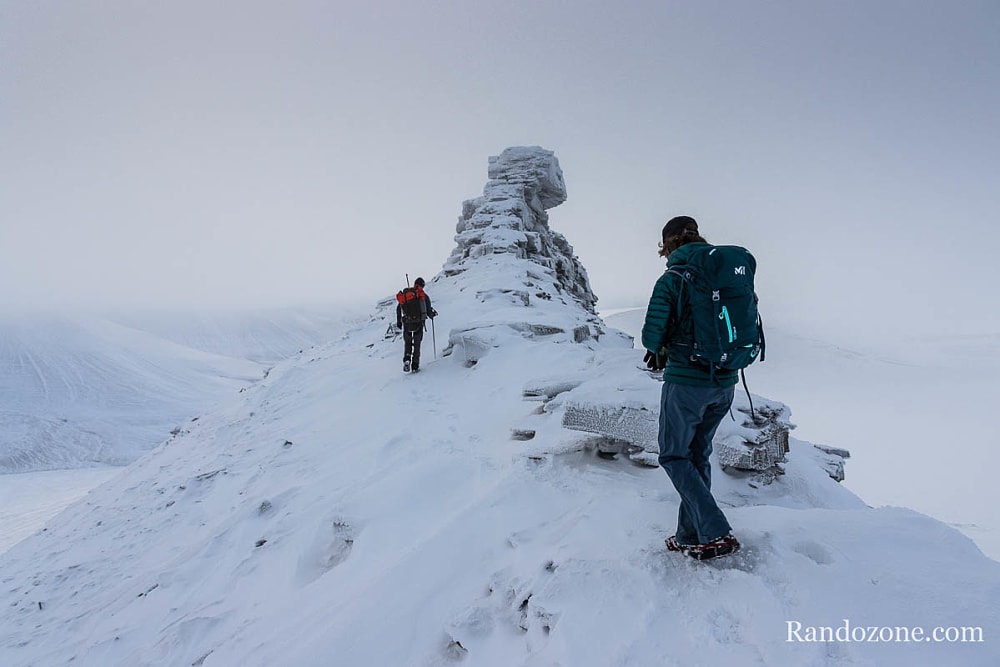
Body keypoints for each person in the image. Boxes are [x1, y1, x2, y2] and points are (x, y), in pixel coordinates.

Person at [641, 215, 741, 560]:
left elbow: (650, 337)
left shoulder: (672, 278)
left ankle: (715, 530)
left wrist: (662, 347)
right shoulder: (723, 274)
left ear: (669, 243)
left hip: (687, 382)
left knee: (672, 454)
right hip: (725, 381)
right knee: (697, 455)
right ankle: (689, 535)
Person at [396, 277, 437, 373]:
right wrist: (432, 315)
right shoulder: (423, 296)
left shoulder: (406, 295)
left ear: (415, 284)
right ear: (422, 286)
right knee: (417, 344)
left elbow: (399, 309)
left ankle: (407, 359)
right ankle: (415, 366)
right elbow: (428, 310)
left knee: (408, 343)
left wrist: (399, 321)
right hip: (418, 323)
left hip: (407, 323)